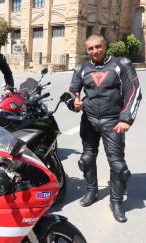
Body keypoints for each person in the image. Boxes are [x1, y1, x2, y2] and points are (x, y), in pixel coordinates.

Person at [69, 34, 142, 222]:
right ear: (87, 50)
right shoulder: (82, 67)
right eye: (90, 48)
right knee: (86, 159)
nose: (95, 51)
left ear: (105, 45)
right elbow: (73, 90)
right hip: (89, 120)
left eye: (98, 47)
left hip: (113, 121)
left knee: (118, 165)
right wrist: (74, 101)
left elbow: (134, 92)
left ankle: (116, 202)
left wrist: (126, 119)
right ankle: (91, 192)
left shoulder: (121, 64)